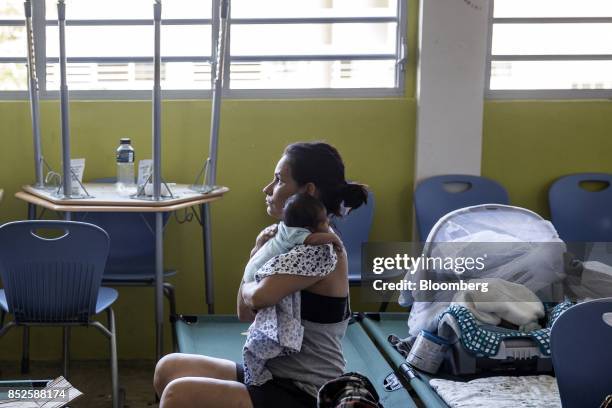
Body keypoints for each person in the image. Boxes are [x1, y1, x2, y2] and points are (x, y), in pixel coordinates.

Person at [153, 142, 368, 408]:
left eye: (278, 180)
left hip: (306, 392)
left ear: (307, 190)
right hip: (272, 377)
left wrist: (256, 262)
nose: (267, 189)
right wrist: (258, 253)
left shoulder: (320, 250)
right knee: (170, 368)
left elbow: (256, 298)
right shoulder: (286, 240)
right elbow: (243, 312)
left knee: (179, 395)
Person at [243, 192, 342, 283]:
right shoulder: (296, 234)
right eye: (324, 221)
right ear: (308, 228)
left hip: (252, 268)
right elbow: (312, 239)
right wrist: (334, 238)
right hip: (256, 275)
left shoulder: (283, 227)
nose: (328, 222)